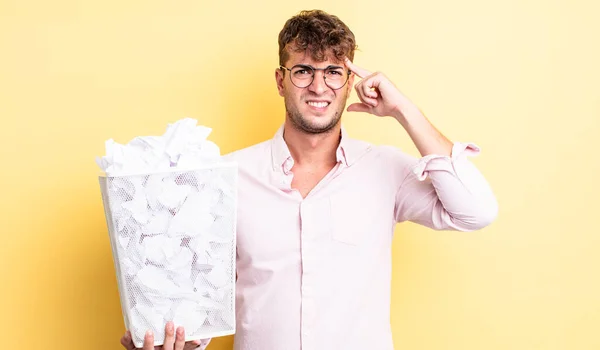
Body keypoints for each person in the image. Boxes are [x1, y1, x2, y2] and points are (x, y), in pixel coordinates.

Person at [120, 9, 498, 350]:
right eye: (304, 71)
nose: (319, 87)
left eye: (334, 72)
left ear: (350, 81)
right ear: (281, 81)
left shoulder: (385, 170)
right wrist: (180, 341)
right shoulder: (226, 177)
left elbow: (475, 211)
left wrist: (402, 109)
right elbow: (200, 293)